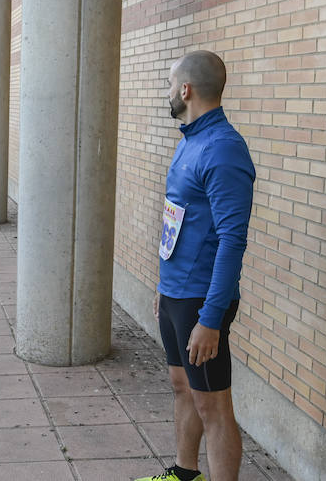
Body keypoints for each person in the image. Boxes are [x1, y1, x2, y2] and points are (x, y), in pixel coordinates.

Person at [136, 51, 255, 481]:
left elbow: (232, 240)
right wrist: (163, 287)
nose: (168, 93)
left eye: (170, 85)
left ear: (185, 90)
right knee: (181, 387)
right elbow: (178, 220)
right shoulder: (190, 139)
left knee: (214, 405)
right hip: (176, 293)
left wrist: (210, 320)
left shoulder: (224, 149)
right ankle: (185, 474)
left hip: (203, 299)